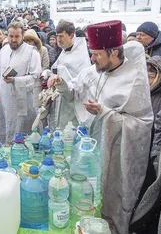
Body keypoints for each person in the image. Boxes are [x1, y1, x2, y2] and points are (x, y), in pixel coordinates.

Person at [48, 20, 153, 234]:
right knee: (86, 193)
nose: (92, 59)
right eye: (91, 53)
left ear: (113, 52)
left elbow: (142, 124)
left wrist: (105, 112)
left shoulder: (134, 78)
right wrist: (61, 83)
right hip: (89, 149)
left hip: (116, 152)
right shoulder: (92, 71)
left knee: (110, 199)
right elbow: (73, 94)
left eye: (97, 54)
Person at [0, 22, 42, 143]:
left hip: (22, 100)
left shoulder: (31, 52)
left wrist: (15, 80)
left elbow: (35, 77)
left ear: (22, 35)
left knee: (21, 133)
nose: (13, 39)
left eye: (17, 36)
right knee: (6, 126)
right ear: (6, 35)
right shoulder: (3, 51)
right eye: (11, 36)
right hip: (4, 99)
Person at [47, 20, 91, 130]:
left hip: (74, 101)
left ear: (71, 35)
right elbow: (57, 69)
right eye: (57, 36)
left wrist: (63, 80)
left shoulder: (80, 54)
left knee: (69, 132)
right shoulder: (65, 50)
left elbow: (81, 80)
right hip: (61, 97)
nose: (58, 40)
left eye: (61, 36)